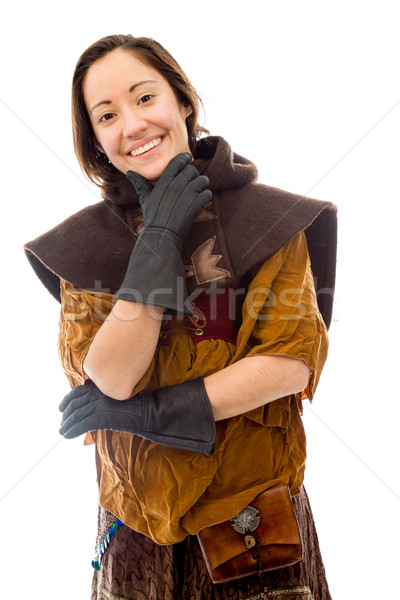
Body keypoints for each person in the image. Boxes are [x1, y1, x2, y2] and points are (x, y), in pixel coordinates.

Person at [24, 34, 337, 600]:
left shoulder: (268, 219)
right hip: (134, 530)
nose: (133, 124)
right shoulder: (82, 246)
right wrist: (158, 242)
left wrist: (145, 413)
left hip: (252, 526)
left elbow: (288, 362)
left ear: (183, 101)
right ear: (95, 139)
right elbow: (112, 376)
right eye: (107, 114)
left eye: (145, 98)